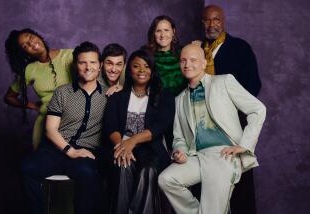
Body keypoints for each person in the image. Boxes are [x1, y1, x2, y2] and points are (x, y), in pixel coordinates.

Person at [158, 44, 266, 214]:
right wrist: (180, 151)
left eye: (193, 60)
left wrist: (244, 145)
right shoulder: (179, 100)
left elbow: (258, 109)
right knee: (166, 179)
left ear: (203, 63)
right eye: (183, 61)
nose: (187, 65)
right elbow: (179, 138)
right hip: (196, 156)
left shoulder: (224, 82)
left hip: (224, 155)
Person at [21, 41, 107, 214]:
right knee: (27, 168)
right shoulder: (62, 92)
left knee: (88, 174)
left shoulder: (109, 95)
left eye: (92, 62)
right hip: (56, 149)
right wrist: (70, 151)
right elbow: (50, 129)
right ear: (76, 65)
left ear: (100, 66)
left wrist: (78, 153)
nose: (87, 67)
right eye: (82, 62)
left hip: (86, 152)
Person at [199, 5, 262, 213]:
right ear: (202, 23)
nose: (212, 24)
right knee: (209, 180)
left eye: (216, 20)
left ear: (223, 22)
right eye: (207, 20)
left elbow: (253, 85)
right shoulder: (198, 51)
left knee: (239, 177)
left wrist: (231, 111)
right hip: (205, 126)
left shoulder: (240, 48)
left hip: (233, 124)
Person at [104, 49, 175, 214]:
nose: (142, 71)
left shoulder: (164, 96)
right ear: (129, 70)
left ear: (152, 70)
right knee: (123, 165)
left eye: (146, 66)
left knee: (148, 171)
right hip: (121, 146)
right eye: (136, 66)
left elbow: (160, 126)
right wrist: (122, 146)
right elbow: (111, 127)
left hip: (152, 148)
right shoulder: (117, 96)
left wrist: (132, 141)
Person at [4, 28, 73, 149]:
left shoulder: (70, 55)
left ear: (37, 35)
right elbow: (9, 97)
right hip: (45, 127)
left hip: (73, 124)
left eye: (30, 37)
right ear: (24, 53)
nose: (31, 43)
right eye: (25, 46)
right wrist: (33, 105)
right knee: (43, 166)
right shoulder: (29, 70)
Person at [144, 15, 187, 96]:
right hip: (155, 104)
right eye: (158, 31)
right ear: (153, 33)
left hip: (181, 103)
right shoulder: (146, 56)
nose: (162, 35)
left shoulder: (184, 53)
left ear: (173, 32)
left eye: (166, 30)